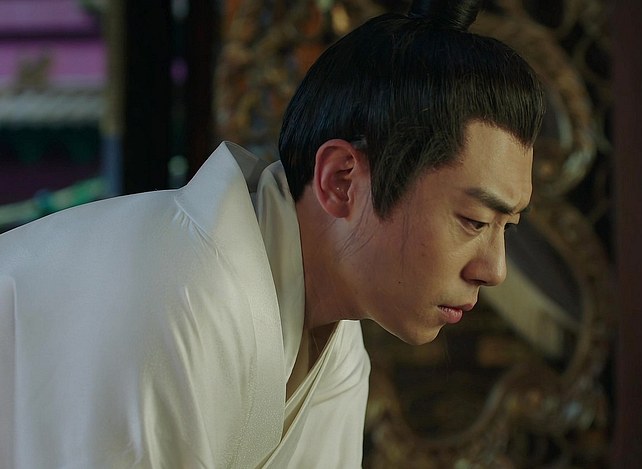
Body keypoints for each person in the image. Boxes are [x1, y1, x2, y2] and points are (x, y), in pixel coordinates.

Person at [0, 0, 544, 466]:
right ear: (341, 180)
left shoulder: (337, 346)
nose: (494, 269)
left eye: (507, 227)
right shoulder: (182, 294)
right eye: (474, 221)